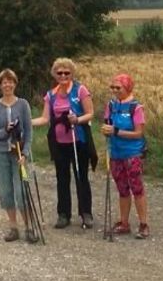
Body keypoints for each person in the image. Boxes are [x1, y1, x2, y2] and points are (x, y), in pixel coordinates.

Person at [31, 57, 97, 230]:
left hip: (78, 140)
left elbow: (90, 113)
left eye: (66, 72)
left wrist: (77, 119)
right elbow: (45, 118)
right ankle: (63, 214)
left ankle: (86, 213)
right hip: (59, 142)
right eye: (59, 73)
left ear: (72, 73)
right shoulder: (51, 95)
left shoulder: (80, 90)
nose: (63, 76)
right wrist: (27, 122)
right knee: (62, 178)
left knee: (81, 176)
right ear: (54, 74)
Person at [0, 68, 34, 242]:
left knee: (21, 192)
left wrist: (25, 153)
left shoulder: (23, 104)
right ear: (0, 85)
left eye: (10, 81)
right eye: (4, 82)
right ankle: (13, 227)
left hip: (19, 154)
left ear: (15, 84)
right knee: (6, 192)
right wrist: (5, 131)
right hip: (1, 154)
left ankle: (29, 227)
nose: (8, 85)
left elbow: (29, 131)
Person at [100, 73, 150, 239]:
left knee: (137, 188)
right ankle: (124, 222)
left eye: (118, 88)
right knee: (122, 188)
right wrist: (106, 131)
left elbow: (138, 133)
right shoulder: (111, 105)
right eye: (112, 87)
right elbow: (107, 124)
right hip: (116, 153)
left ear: (128, 88)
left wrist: (116, 131)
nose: (114, 91)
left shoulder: (136, 108)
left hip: (132, 153)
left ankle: (143, 224)